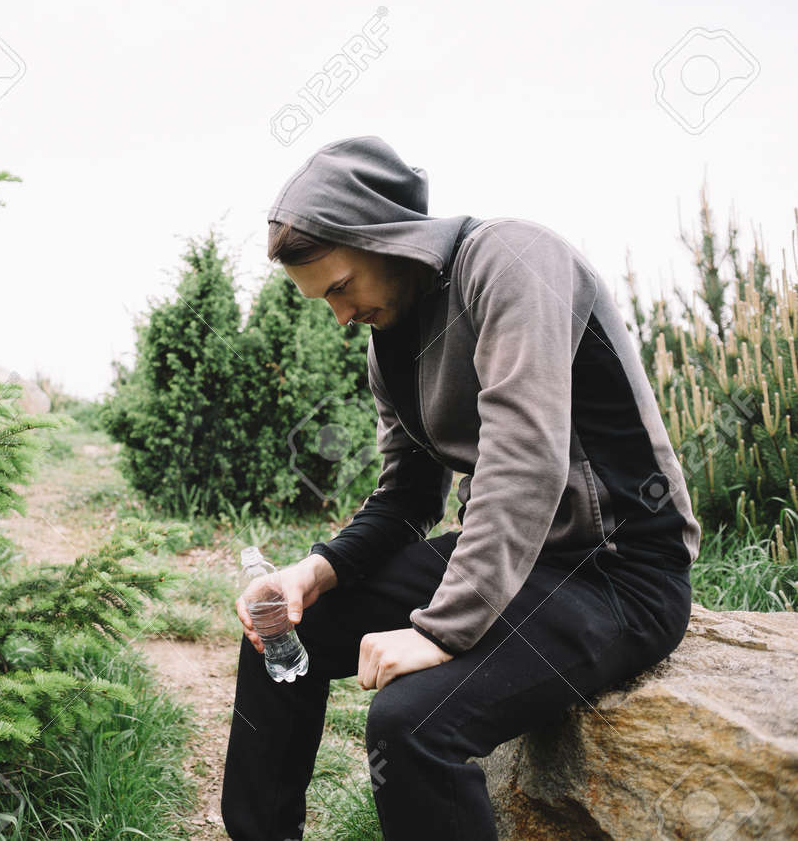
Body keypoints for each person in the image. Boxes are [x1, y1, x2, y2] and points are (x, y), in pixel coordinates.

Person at [220, 136, 700, 840]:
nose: (341, 316)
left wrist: (443, 631)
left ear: (385, 238)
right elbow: (408, 499)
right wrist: (315, 572)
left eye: (341, 287)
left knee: (408, 723)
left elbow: (524, 453)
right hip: (510, 559)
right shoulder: (391, 346)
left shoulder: (512, 260)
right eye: (322, 301)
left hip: (618, 573)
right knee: (279, 631)